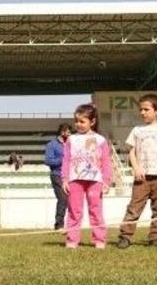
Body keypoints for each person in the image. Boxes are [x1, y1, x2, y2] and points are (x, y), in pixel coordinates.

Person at [117, 94, 157, 249]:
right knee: (134, 208)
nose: (143, 113)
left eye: (146, 109)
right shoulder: (137, 130)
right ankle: (125, 236)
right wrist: (136, 168)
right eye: (141, 110)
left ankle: (155, 237)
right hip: (142, 178)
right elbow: (131, 151)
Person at [62, 104, 111, 249]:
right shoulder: (71, 140)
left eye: (82, 121)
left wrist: (106, 181)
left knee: (95, 210)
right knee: (74, 210)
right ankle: (72, 240)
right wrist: (64, 178)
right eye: (76, 121)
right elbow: (66, 160)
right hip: (75, 179)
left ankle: (99, 240)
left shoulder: (101, 140)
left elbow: (106, 161)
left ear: (92, 121)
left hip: (95, 180)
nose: (78, 124)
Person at [45, 123, 72, 230]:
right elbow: (48, 160)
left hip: (71, 176)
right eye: (68, 132)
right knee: (63, 199)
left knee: (72, 200)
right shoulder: (51, 145)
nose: (70, 134)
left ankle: (71, 224)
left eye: (71, 132)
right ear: (62, 132)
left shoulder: (72, 144)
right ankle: (59, 224)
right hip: (57, 175)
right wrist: (64, 159)